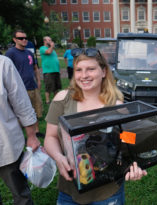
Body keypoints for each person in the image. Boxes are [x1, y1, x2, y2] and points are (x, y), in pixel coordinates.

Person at [44, 48, 147, 204]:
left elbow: (128, 141)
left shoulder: (117, 106)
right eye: (79, 70)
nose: (84, 75)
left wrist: (134, 164)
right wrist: (59, 158)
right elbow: (50, 137)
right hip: (69, 191)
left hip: (107, 192)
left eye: (91, 69)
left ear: (104, 72)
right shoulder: (63, 99)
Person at [0, 55, 40, 205]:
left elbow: (21, 102)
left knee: (21, 195)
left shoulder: (3, 64)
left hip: (6, 143)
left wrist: (31, 135)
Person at [5, 30, 44, 138]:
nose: (24, 40)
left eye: (25, 38)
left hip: (33, 86)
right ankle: (19, 134)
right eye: (21, 38)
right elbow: (6, 71)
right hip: (20, 88)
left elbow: (35, 68)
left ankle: (36, 131)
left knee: (36, 109)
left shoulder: (29, 53)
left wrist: (39, 80)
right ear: (14, 40)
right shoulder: (10, 53)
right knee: (23, 112)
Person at [39, 36, 61, 104]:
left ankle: (56, 99)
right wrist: (52, 46)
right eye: (49, 40)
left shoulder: (53, 50)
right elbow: (48, 52)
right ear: (45, 41)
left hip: (56, 70)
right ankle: (47, 101)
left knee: (56, 87)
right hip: (48, 71)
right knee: (48, 87)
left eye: (51, 40)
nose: (51, 41)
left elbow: (55, 59)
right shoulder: (42, 48)